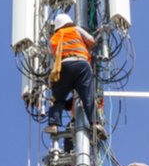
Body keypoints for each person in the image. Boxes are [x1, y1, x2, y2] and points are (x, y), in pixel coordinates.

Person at [43, 13, 107, 141]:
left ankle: (53, 124)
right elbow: (91, 41)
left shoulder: (54, 37)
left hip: (64, 66)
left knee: (57, 97)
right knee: (88, 96)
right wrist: (84, 51)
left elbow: (51, 54)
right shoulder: (76, 29)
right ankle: (96, 124)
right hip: (82, 64)